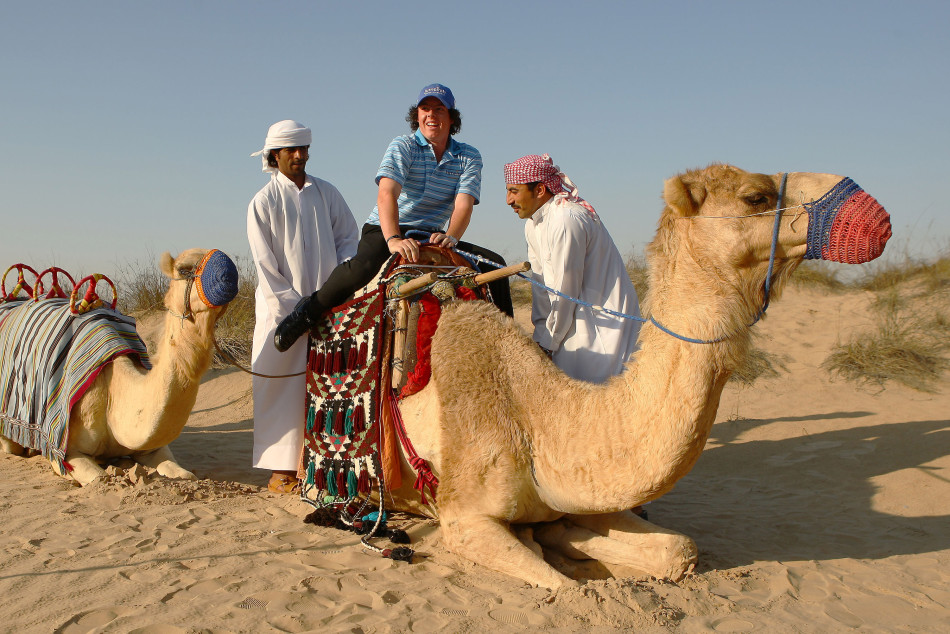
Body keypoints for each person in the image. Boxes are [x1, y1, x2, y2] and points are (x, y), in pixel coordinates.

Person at [274, 83, 513, 352]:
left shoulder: (468, 156)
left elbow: (464, 204)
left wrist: (452, 236)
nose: (431, 115)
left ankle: (509, 342)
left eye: (438, 109)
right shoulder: (404, 145)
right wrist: (393, 239)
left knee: (495, 265)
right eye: (425, 109)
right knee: (361, 269)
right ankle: (307, 312)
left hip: (432, 232)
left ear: (451, 117)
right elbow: (387, 193)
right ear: (417, 114)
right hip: (387, 227)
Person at [247, 120, 360, 494]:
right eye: (290, 150)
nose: (299, 156)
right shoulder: (262, 203)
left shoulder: (326, 193)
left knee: (331, 386)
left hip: (330, 309)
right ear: (274, 155)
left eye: (303, 149)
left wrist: (333, 292)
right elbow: (267, 268)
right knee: (283, 389)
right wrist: (298, 313)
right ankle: (281, 472)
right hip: (284, 315)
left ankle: (324, 466)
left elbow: (348, 239)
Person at [504, 154, 641, 383]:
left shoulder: (566, 219)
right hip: (569, 318)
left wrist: (548, 343)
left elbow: (564, 289)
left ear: (539, 190)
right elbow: (541, 288)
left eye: (514, 191)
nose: (508, 200)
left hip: (603, 320)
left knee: (602, 395)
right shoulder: (533, 224)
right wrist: (541, 337)